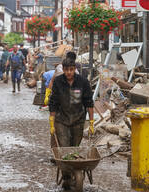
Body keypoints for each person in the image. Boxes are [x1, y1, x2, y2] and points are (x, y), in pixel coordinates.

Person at [48, 58, 94, 190]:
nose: (69, 72)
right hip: (61, 120)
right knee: (64, 148)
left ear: (75, 69)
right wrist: (52, 122)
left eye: (71, 69)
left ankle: (74, 173)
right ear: (63, 69)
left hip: (78, 120)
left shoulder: (82, 82)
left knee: (74, 148)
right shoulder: (58, 81)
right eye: (66, 69)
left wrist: (91, 122)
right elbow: (53, 102)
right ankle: (67, 177)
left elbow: (89, 102)